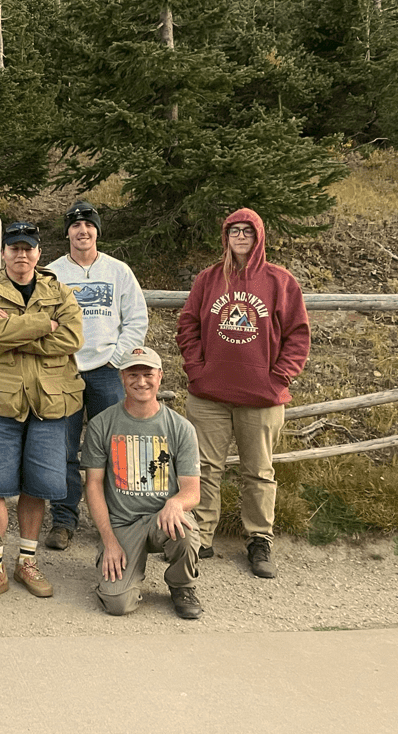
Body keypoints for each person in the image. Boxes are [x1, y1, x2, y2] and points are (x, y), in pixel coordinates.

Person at [176, 208, 310, 579]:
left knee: (259, 472)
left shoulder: (279, 281)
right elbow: (187, 324)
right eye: (233, 231)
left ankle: (259, 539)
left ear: (258, 236)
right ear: (225, 237)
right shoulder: (208, 279)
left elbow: (298, 334)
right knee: (203, 469)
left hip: (262, 397)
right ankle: (201, 537)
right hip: (210, 395)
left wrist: (279, 377)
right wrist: (196, 369)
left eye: (247, 232)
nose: (240, 237)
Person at [0, 221, 83, 605]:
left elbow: (72, 338)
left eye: (28, 248)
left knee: (38, 485)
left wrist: (17, 334)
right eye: (14, 248)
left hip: (50, 401)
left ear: (38, 252)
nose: (22, 255)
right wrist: (42, 324)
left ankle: (27, 561)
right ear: (3, 254)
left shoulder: (59, 291)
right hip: (1, 401)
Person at [46, 201, 148, 551]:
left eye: (89, 226)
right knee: (64, 448)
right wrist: (58, 357)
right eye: (75, 226)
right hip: (64, 372)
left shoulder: (119, 272)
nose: (82, 231)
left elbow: (136, 319)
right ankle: (64, 519)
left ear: (97, 231)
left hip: (107, 372)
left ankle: (119, 517)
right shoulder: (53, 273)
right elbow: (43, 322)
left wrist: (117, 359)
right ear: (67, 233)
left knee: (115, 446)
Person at [82, 347, 203, 620]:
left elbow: (192, 491)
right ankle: (124, 573)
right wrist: (109, 541)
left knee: (186, 531)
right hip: (123, 523)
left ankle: (181, 584)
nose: (141, 382)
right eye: (132, 374)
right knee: (117, 604)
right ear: (121, 378)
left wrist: (176, 502)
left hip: (163, 518)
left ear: (160, 376)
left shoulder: (180, 428)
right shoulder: (102, 424)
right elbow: (93, 486)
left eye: (148, 374)